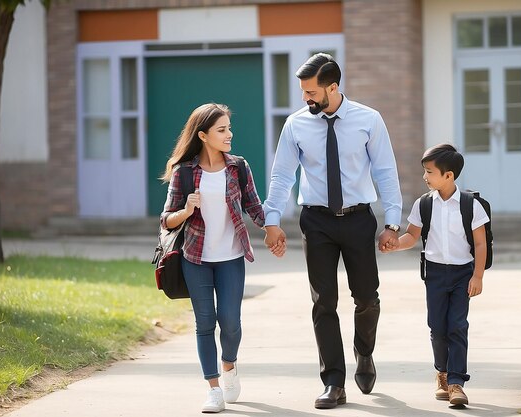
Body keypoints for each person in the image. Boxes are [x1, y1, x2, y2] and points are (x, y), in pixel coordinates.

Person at [263, 53, 402, 409]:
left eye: (311, 91)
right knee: (323, 302)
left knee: (367, 296)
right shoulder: (296, 125)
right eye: (303, 92)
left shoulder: (368, 120)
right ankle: (334, 382)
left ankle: (364, 352)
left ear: (333, 87)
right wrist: (272, 219)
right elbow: (282, 175)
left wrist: (392, 222)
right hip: (317, 220)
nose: (305, 98)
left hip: (358, 219)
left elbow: (385, 171)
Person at [160, 103, 284, 413]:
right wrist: (186, 211)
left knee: (229, 321)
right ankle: (213, 388)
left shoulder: (238, 167)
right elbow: (166, 220)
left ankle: (229, 365)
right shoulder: (184, 172)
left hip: (230, 256)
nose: (229, 134)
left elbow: (254, 206)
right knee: (205, 322)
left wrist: (272, 230)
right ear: (203, 135)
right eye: (222, 130)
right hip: (195, 257)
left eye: (229, 128)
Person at [380, 143, 489, 406]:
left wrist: (478, 276)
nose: (425, 177)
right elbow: (412, 236)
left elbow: (481, 244)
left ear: (448, 175)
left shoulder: (470, 205)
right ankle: (441, 371)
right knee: (437, 328)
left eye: (429, 172)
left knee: (458, 326)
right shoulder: (423, 204)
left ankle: (456, 383)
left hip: (463, 273)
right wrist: (395, 244)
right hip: (435, 274)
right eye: (424, 171)